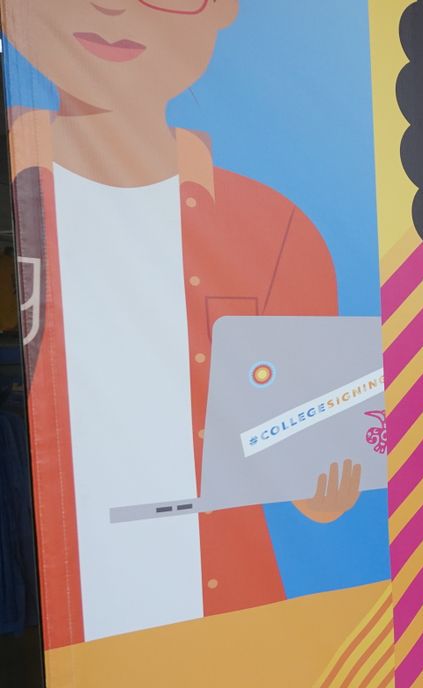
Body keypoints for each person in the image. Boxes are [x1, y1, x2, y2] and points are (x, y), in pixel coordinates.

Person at [5, 0, 361, 643]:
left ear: (221, 11)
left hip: (228, 611)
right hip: (75, 604)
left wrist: (320, 486)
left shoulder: (274, 226)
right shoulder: (21, 191)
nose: (112, 6)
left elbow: (313, 458)